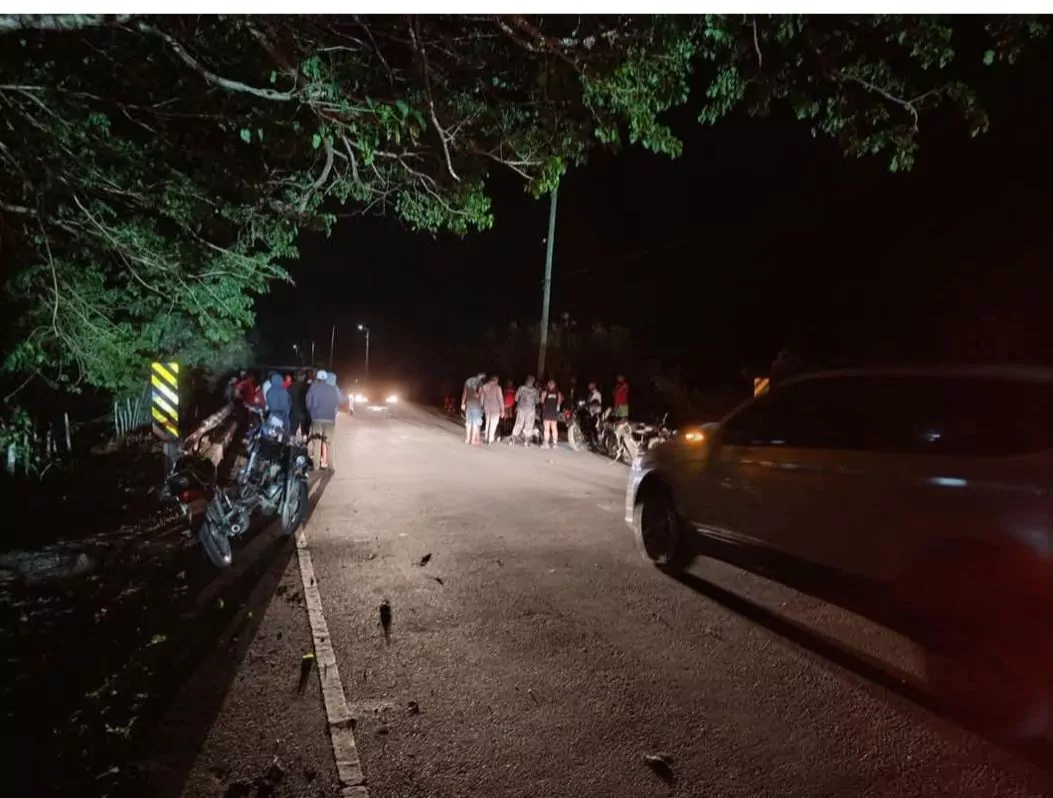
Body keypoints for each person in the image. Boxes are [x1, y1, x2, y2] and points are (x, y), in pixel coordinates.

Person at [307, 369, 342, 470]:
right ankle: (331, 466)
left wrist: (312, 413)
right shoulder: (333, 389)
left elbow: (308, 403)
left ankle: (316, 466)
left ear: (317, 378)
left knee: (317, 442)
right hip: (329, 419)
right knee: (330, 443)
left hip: (317, 419)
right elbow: (338, 402)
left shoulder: (313, 388)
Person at [509, 375, 539, 447]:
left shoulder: (521, 388)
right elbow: (537, 401)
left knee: (518, 424)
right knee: (528, 425)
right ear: (533, 382)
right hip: (531, 410)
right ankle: (526, 441)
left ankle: (513, 439)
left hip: (521, 409)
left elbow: (516, 398)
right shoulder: (535, 390)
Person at [461, 371, 485, 445]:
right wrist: (481, 405)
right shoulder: (479, 382)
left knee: (468, 422)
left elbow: (464, 392)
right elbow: (480, 395)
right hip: (476, 404)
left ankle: (467, 439)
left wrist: (462, 403)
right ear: (481, 376)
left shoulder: (468, 381)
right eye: (483, 377)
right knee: (475, 422)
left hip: (468, 403)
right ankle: (473, 440)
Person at [480, 374, 504, 445]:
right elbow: (500, 399)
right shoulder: (498, 388)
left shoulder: (484, 386)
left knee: (488, 421)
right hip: (495, 407)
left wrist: (481, 406)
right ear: (496, 380)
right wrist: (502, 410)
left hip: (487, 406)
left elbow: (482, 397)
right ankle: (490, 439)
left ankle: (486, 437)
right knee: (493, 423)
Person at [539, 379, 563, 449]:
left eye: (552, 384)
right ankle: (552, 444)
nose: (551, 385)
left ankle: (551, 443)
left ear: (554, 385)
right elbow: (559, 402)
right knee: (551, 428)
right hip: (550, 412)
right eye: (550, 384)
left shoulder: (546, 392)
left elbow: (542, 401)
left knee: (551, 428)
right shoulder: (557, 393)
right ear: (548, 384)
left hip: (549, 412)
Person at [288, 371, 310, 439]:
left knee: (292, 431)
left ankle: (292, 446)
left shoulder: (291, 387)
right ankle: (305, 444)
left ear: (295, 377)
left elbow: (288, 400)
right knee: (305, 432)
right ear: (304, 377)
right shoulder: (308, 387)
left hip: (294, 411)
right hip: (305, 411)